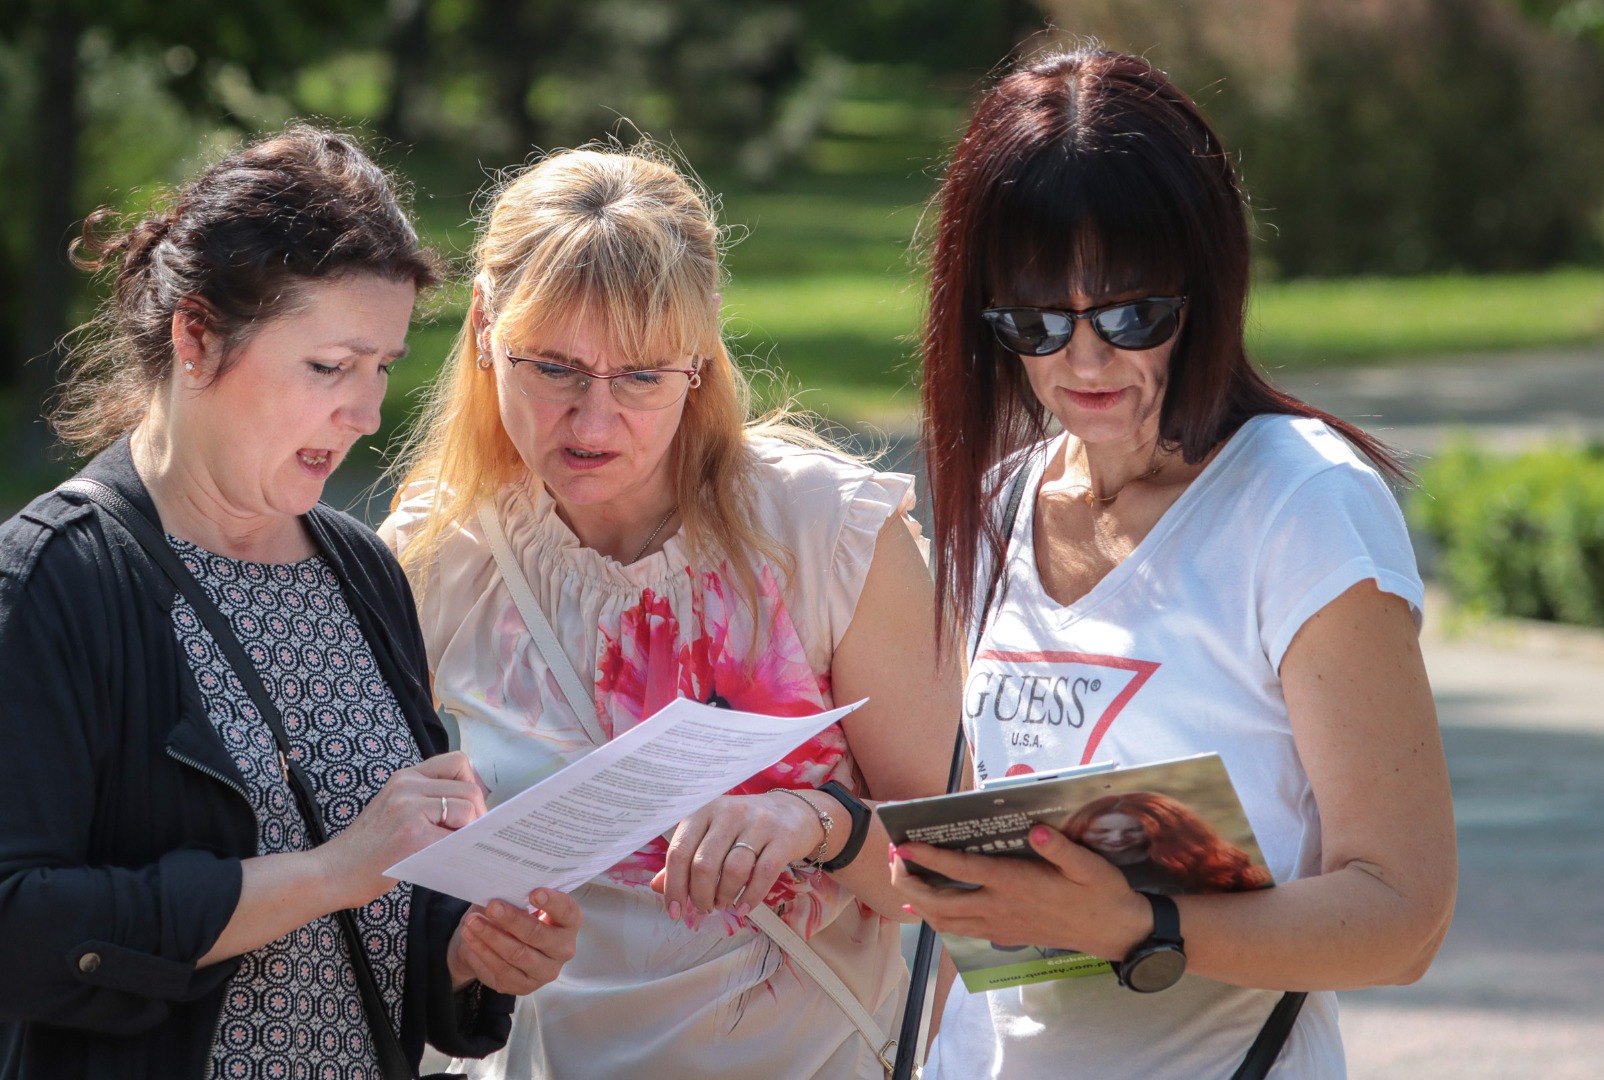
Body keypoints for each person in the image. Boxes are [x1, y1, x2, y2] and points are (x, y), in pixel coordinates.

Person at [889, 47, 1457, 1079]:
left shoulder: (1301, 505)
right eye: (1035, 319)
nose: (1086, 360)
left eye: (1128, 312)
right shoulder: (1000, 498)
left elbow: (1401, 915)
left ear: (1204, 285)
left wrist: (1143, 924)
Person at [0, 126, 581, 1080]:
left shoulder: (361, 567)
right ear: (196, 338)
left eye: (384, 366)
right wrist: (325, 877)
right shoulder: (52, 579)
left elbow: (395, 894)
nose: (366, 413)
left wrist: (469, 952)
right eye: (329, 367)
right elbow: (20, 929)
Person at [380, 142, 958, 1079]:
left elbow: (968, 878)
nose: (596, 423)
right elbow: (377, 876)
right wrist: (461, 943)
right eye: (555, 370)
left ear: (702, 351)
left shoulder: (826, 535)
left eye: (643, 377)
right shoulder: (440, 557)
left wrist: (821, 822)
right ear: (485, 329)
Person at [1064, 793, 1273, 895]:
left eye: (1133, 830)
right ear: (1080, 829)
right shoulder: (1064, 869)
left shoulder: (1193, 865)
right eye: (1102, 831)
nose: (1117, 838)